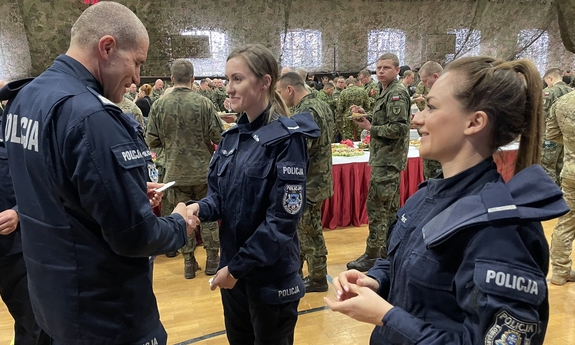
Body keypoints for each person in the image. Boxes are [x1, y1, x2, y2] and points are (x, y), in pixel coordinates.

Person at [326, 56, 568, 344]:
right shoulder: (426, 197)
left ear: (475, 122)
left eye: (431, 107)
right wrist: (378, 279)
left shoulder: (501, 233)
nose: (417, 118)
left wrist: (387, 317)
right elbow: (411, 266)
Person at [0, 2, 198, 343]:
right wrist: (179, 224)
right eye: (136, 63)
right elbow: (135, 235)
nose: (138, 78)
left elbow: (54, 187)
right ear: (106, 48)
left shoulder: (27, 97)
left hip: (53, 301)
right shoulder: (93, 116)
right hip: (105, 313)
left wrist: (122, 188)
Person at [187, 44, 319, 345]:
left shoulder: (287, 140)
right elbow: (221, 198)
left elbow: (282, 222)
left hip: (269, 278)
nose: (228, 88)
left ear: (265, 82)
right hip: (234, 273)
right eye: (227, 79)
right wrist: (198, 208)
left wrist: (236, 267)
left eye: (237, 79)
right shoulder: (233, 138)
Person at [146, 59, 223, 279]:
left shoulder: (159, 104)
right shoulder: (204, 103)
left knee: (182, 215)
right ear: (192, 79)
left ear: (171, 78)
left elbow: (151, 140)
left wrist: (171, 146)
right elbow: (218, 136)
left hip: (174, 173)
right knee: (206, 216)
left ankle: (189, 262)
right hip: (202, 171)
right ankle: (212, 260)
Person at [347, 53, 410, 272]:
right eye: (378, 68)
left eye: (386, 68)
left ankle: (373, 255)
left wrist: (370, 128)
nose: (380, 71)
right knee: (390, 211)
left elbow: (400, 127)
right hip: (384, 159)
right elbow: (386, 119)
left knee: (377, 209)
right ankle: (388, 254)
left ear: (397, 70)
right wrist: (368, 116)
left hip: (388, 161)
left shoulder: (397, 94)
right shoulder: (386, 91)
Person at [277, 72, 334, 292]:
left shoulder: (305, 112)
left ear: (290, 90)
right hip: (319, 178)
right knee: (303, 229)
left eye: (280, 93)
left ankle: (319, 276)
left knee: (310, 231)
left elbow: (300, 150)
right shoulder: (320, 104)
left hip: (309, 182)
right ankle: (298, 269)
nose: (280, 98)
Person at [0, 90, 45, 345]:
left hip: (13, 250)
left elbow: (31, 180)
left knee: (33, 324)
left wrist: (17, 212)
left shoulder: (9, 129)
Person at [547, 86, 575, 286]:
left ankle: (559, 271)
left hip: (571, 172)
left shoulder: (564, 101)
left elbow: (551, 133)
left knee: (565, 222)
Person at [541, 68, 571, 186]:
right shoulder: (570, 92)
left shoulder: (548, 93)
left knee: (547, 169)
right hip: (566, 136)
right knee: (561, 168)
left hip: (550, 136)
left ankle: (549, 197)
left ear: (550, 78)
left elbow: (542, 116)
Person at [416, 61, 444, 180]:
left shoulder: (445, 96)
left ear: (435, 76)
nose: (424, 84)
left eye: (425, 81)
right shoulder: (434, 94)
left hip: (440, 152)